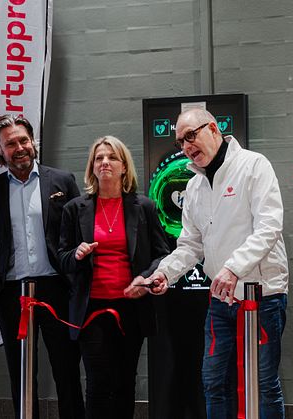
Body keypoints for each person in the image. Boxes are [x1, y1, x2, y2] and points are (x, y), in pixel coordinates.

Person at [144, 108, 289, 419]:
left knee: (263, 384)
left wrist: (233, 267)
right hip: (221, 299)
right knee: (213, 381)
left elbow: (269, 226)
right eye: (180, 142)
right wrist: (164, 274)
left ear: (212, 128)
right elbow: (190, 245)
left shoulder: (253, 165)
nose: (186, 146)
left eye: (190, 136)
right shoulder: (194, 185)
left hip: (262, 294)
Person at [0, 114, 84, 419]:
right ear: (0, 151)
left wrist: (75, 282)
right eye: (11, 143)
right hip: (11, 295)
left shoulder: (62, 181)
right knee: (21, 375)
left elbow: (78, 236)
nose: (20, 147)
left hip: (56, 290)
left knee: (67, 371)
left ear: (33, 141)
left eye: (24, 140)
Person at [57, 135, 169, 418]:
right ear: (92, 167)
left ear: (123, 167)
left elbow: (162, 253)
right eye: (99, 158)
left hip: (131, 307)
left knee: (124, 382)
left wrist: (143, 279)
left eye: (112, 157)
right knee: (97, 382)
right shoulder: (75, 209)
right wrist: (77, 253)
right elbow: (62, 258)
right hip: (91, 308)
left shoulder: (143, 207)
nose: (105, 162)